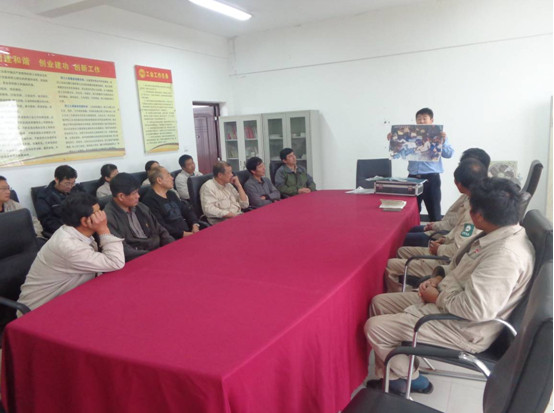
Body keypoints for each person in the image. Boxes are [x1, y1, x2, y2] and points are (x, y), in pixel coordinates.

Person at [365, 177, 534, 395]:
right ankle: (395, 374)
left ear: (478, 216)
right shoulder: (494, 233)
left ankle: (411, 379)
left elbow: (475, 310)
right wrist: (437, 278)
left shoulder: (505, 256)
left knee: (375, 328)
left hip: (465, 327)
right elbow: (458, 266)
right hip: (447, 299)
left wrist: (436, 297)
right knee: (379, 303)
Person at [384, 159, 488, 292]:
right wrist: (444, 239)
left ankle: (399, 295)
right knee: (401, 250)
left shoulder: (473, 211)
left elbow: (458, 248)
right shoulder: (473, 199)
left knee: (391, 264)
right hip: (448, 247)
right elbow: (457, 229)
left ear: (458, 184)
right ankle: (404, 287)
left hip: (447, 262)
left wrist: (439, 248)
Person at [17, 192, 125, 312]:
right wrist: (103, 229)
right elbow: (116, 262)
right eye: (98, 212)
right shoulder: (69, 246)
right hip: (39, 310)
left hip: (71, 296)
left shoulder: (74, 231)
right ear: (85, 221)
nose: (103, 215)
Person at [403, 148, 491, 247]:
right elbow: (456, 219)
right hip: (448, 232)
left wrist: (439, 238)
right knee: (411, 230)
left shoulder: (477, 200)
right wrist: (436, 225)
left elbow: (458, 238)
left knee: (403, 241)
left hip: (448, 238)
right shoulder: (477, 189)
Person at [388, 108, 453, 222]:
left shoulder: (439, 136)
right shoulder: (410, 135)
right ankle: (413, 231)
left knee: (434, 211)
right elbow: (399, 150)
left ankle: (436, 232)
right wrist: (393, 139)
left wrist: (443, 140)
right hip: (413, 178)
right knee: (411, 210)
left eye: (424, 118)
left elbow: (449, 154)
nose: (421, 121)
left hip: (431, 178)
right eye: (419, 119)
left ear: (431, 120)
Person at [104, 173, 174, 261]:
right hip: (139, 258)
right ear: (121, 196)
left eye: (138, 192)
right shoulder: (109, 217)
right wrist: (152, 256)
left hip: (157, 251)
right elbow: (123, 249)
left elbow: (160, 229)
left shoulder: (141, 207)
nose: (138, 196)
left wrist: (172, 245)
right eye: (134, 193)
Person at [141, 166, 201, 239]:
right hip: (172, 238)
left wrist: (195, 224)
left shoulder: (171, 194)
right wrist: (184, 234)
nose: (172, 178)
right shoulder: (149, 201)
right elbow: (160, 226)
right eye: (168, 176)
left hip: (188, 232)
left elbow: (186, 210)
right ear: (159, 180)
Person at [35, 165, 85, 235]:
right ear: (57, 180)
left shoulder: (77, 189)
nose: (70, 186)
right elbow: (47, 221)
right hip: (63, 231)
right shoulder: (44, 196)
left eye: (73, 183)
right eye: (67, 183)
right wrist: (70, 229)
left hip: (82, 226)